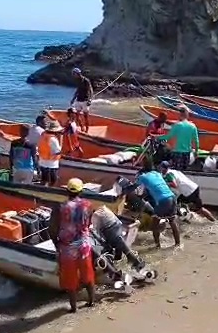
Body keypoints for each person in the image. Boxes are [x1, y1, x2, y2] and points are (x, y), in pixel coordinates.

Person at [49, 178, 95, 313]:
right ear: (81, 191)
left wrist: (56, 243)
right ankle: (91, 301)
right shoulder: (88, 205)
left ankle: (74, 308)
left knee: (70, 278)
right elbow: (88, 222)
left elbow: (52, 229)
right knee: (88, 273)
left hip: (67, 247)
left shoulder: (60, 207)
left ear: (67, 190)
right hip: (85, 244)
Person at [135, 159, 181, 249]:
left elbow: (137, 189)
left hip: (163, 201)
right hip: (172, 197)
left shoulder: (143, 177)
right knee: (172, 221)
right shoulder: (157, 173)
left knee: (154, 224)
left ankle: (157, 246)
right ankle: (178, 244)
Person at [91, 204, 146, 272]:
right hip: (117, 226)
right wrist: (132, 220)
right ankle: (130, 261)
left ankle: (116, 268)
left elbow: (97, 231)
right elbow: (117, 216)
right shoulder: (104, 208)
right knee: (122, 246)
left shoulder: (95, 216)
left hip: (109, 230)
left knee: (111, 247)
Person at [157, 106, 199, 171]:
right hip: (187, 153)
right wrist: (196, 152)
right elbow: (196, 141)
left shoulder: (177, 125)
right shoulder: (193, 126)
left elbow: (168, 136)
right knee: (183, 172)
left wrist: (158, 137)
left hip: (177, 152)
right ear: (187, 115)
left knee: (177, 172)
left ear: (180, 115)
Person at [37, 120, 64, 187]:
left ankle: (42, 189)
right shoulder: (53, 139)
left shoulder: (43, 135)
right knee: (53, 180)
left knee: (44, 179)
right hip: (51, 164)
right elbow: (58, 151)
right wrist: (61, 138)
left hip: (42, 161)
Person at [69, 68, 93, 133]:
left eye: (74, 74)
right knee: (77, 115)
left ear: (77, 73)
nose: (73, 75)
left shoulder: (86, 80)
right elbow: (77, 90)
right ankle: (82, 126)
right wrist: (73, 99)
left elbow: (90, 90)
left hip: (85, 100)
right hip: (78, 99)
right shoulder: (77, 80)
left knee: (86, 116)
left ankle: (87, 130)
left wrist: (90, 99)